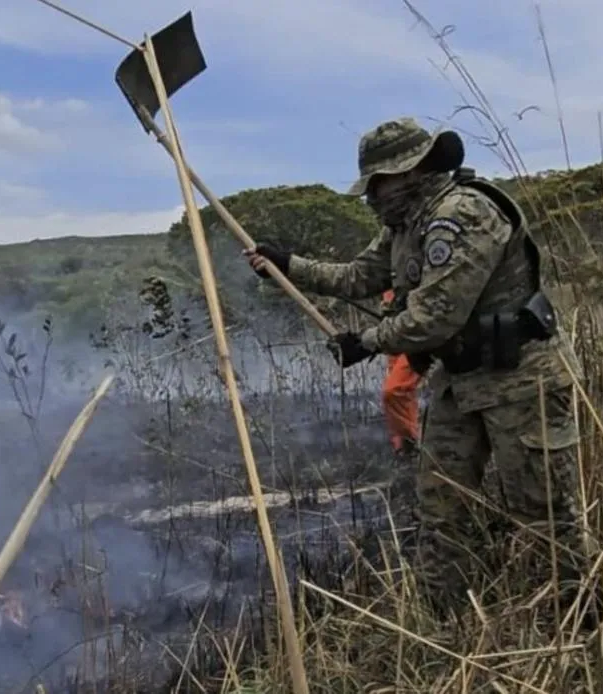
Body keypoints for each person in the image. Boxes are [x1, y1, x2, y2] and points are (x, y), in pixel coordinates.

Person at [244, 117, 582, 616]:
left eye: (379, 184)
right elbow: (359, 276)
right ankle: (443, 619)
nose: (372, 196)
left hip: (521, 380)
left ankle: (575, 619)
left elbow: (435, 317)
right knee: (441, 508)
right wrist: (288, 266)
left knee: (543, 513)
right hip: (460, 381)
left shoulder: (462, 215)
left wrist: (366, 342)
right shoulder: (405, 227)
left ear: (411, 172)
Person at [379, 287, 423, 460]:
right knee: (403, 390)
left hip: (420, 326)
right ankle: (402, 447)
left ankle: (410, 443)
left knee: (394, 389)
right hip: (394, 322)